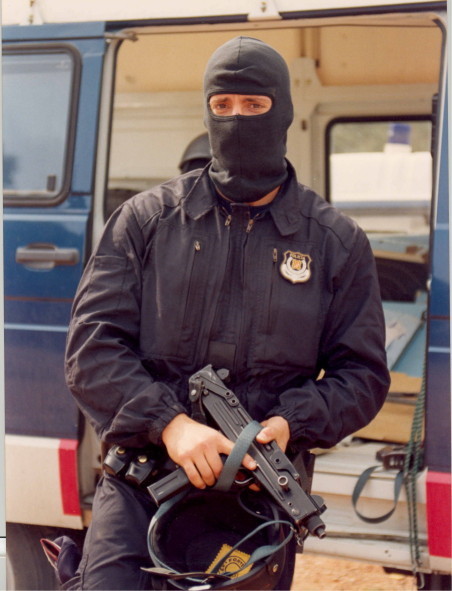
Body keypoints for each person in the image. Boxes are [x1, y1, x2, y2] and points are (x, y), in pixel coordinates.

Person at [63, 36, 390, 590]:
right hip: (142, 481)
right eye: (223, 105)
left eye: (254, 104)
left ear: (282, 112)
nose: (237, 118)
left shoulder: (335, 242)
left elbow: (362, 376)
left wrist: (288, 425)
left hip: (257, 495)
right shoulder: (145, 221)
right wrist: (170, 427)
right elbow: (91, 352)